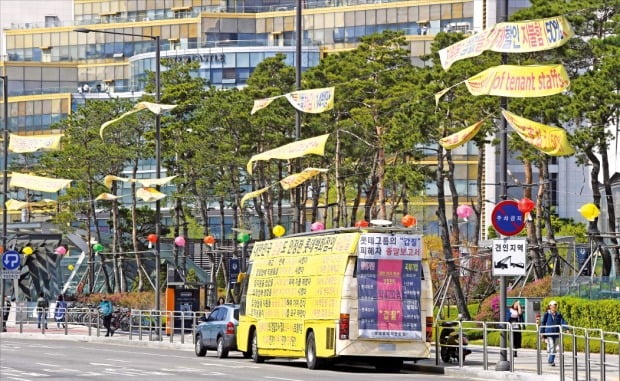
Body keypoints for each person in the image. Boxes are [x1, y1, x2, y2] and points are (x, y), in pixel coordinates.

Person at [540, 300, 568, 367]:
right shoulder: (547, 314)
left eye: (555, 306)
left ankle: (551, 360)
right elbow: (543, 323)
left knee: (555, 348)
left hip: (556, 333)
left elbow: (563, 322)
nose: (554, 308)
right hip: (549, 333)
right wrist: (542, 333)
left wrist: (567, 328)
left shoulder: (558, 314)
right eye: (553, 306)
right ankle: (550, 361)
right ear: (550, 307)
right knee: (552, 347)